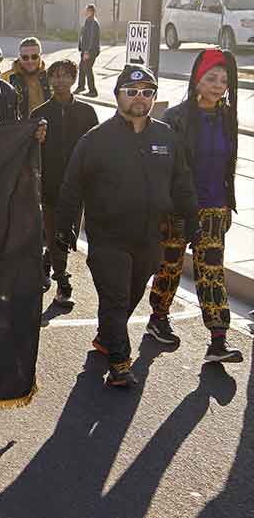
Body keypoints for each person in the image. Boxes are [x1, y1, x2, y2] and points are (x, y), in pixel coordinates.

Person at [56, 65, 199, 388]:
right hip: (109, 239)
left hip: (150, 239)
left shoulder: (166, 137)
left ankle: (107, 338)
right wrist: (65, 228)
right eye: (132, 91)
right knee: (116, 298)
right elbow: (71, 187)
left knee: (130, 296)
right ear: (118, 94)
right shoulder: (95, 140)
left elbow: (183, 184)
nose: (140, 98)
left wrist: (194, 220)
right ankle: (120, 363)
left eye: (147, 92)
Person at [145, 49, 243, 363]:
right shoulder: (175, 117)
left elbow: (229, 164)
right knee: (170, 266)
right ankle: (158, 318)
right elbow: (160, 166)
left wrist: (228, 204)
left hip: (214, 209)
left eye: (224, 81)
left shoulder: (227, 116)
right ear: (197, 79)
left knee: (211, 273)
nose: (218, 85)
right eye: (211, 78)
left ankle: (218, 340)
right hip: (178, 208)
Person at [32, 59, 99, 307]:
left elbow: (96, 149)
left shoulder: (87, 113)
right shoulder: (39, 114)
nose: (60, 81)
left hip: (77, 187)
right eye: (55, 76)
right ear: (49, 79)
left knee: (66, 235)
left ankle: (46, 262)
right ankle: (63, 283)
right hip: (49, 187)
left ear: (73, 79)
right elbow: (30, 152)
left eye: (65, 76)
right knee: (56, 233)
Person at [1, 37, 52, 118]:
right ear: (19, 56)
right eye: (25, 57)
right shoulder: (5, 78)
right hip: (19, 128)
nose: (30, 61)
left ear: (40, 56)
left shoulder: (51, 76)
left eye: (34, 57)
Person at [75, 4, 101, 97]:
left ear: (91, 12)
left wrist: (87, 52)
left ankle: (93, 91)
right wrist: (81, 47)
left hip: (91, 51)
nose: (85, 12)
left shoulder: (93, 23)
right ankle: (81, 87)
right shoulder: (88, 21)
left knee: (88, 69)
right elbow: (83, 36)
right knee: (82, 68)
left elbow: (91, 39)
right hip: (85, 50)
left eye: (87, 10)